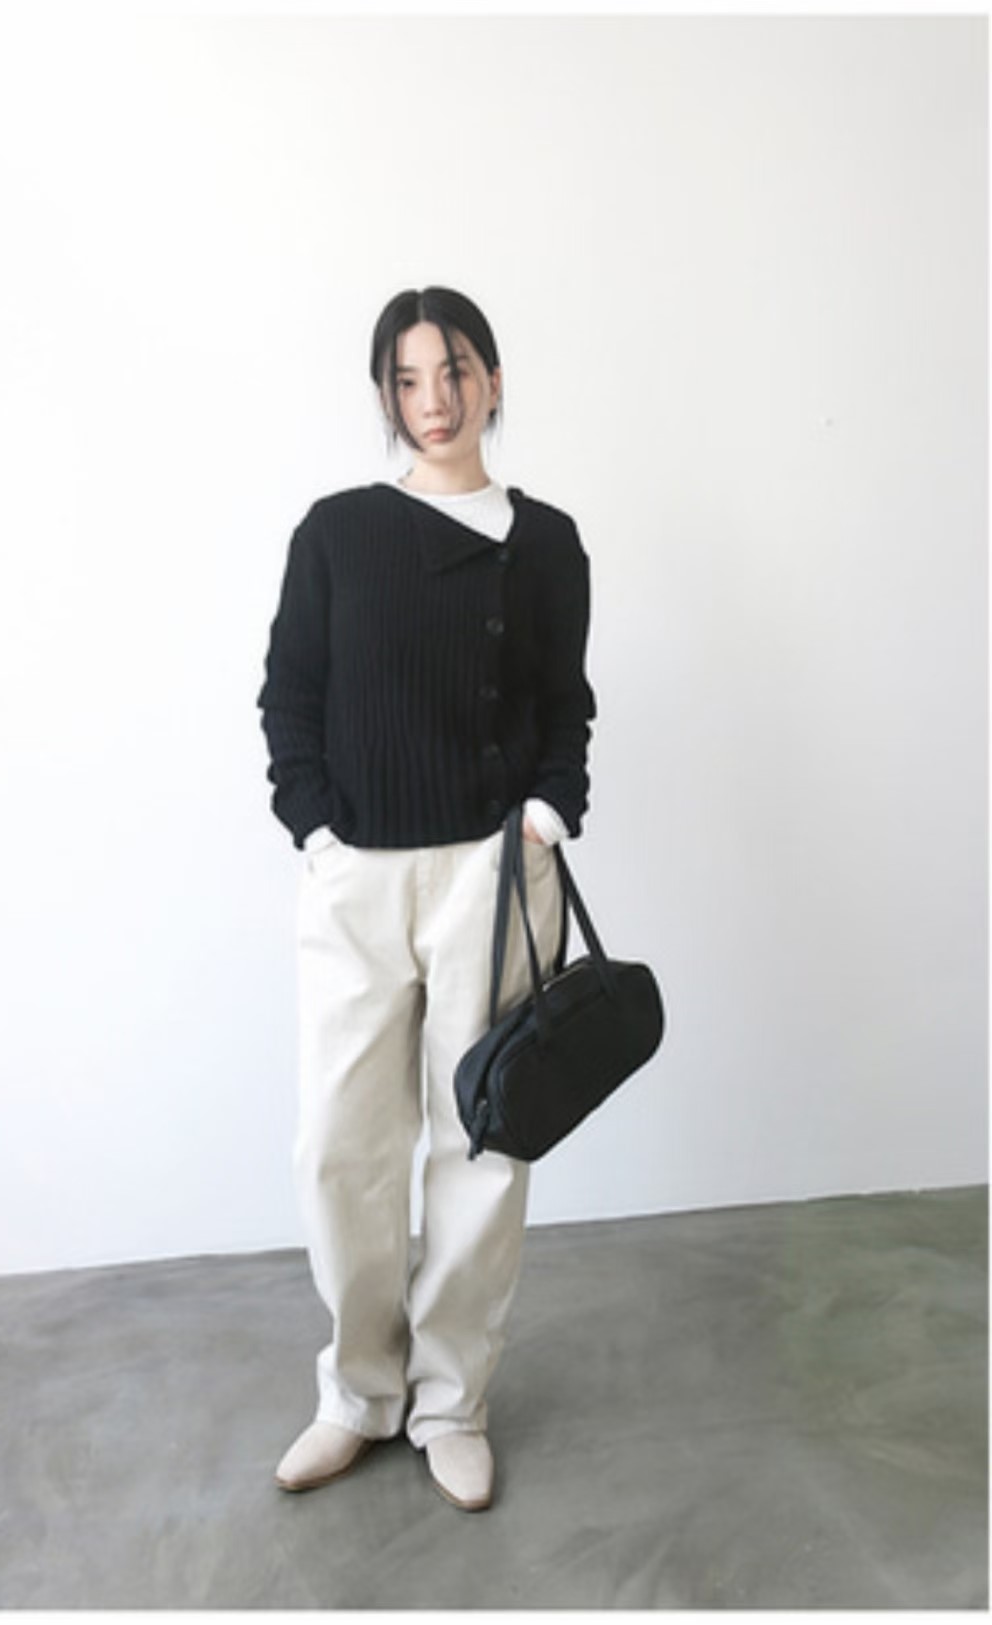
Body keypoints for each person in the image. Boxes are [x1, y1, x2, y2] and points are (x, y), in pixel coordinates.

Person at [256, 285, 595, 1512]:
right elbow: (290, 692)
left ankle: (451, 1401)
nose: (433, 400)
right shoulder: (337, 531)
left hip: (495, 873)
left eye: (454, 370)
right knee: (342, 1142)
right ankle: (358, 1391)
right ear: (385, 396)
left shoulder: (544, 539)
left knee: (480, 1144)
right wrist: (316, 827)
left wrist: (547, 812)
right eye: (406, 379)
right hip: (358, 875)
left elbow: (565, 703)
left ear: (492, 378)